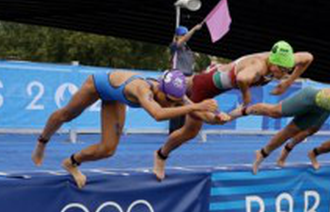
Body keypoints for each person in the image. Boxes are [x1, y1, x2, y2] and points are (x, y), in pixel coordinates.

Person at [31, 70, 225, 189]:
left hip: (115, 98)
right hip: (98, 85)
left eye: (176, 102)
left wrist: (219, 118)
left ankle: (71, 163)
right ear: (160, 89)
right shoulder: (143, 89)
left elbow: (201, 114)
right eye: (169, 101)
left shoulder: (174, 94)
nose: (171, 105)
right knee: (67, 114)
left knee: (108, 149)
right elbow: (158, 114)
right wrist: (195, 106)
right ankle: (42, 142)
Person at [189, 41, 313, 114]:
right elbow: (242, 78)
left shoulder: (286, 61)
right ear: (272, 62)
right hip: (206, 85)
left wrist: (288, 83)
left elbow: (308, 57)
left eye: (288, 69)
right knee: (190, 130)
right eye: (281, 69)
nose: (283, 74)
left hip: (220, 76)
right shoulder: (258, 65)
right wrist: (246, 96)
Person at [168, 22, 203, 134]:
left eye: (185, 34)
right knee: (176, 104)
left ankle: (182, 131)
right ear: (177, 36)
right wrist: (194, 29)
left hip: (188, 78)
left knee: (186, 105)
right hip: (177, 77)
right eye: (182, 35)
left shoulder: (189, 50)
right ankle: (173, 131)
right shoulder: (175, 46)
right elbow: (180, 42)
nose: (184, 37)